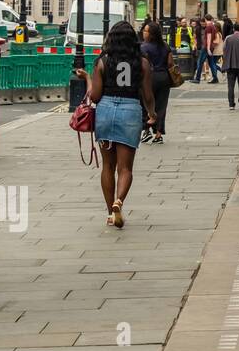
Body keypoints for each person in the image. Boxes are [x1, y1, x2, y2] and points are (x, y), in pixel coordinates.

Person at [73, 21, 156, 229]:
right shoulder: (142, 63)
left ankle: (110, 212)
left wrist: (87, 79)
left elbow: (95, 96)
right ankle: (119, 201)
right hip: (130, 110)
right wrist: (152, 114)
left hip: (106, 111)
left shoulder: (103, 61)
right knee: (125, 168)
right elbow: (147, 95)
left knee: (108, 166)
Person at [140, 21, 175, 144]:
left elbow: (142, 65)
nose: (143, 33)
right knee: (161, 106)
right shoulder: (165, 46)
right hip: (164, 77)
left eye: (145, 31)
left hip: (149, 78)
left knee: (146, 102)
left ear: (151, 34)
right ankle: (159, 134)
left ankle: (146, 130)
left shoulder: (143, 47)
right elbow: (170, 63)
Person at [223, 21, 239, 109]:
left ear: (233, 29)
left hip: (230, 64)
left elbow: (224, 48)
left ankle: (231, 104)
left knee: (230, 85)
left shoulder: (227, 38)